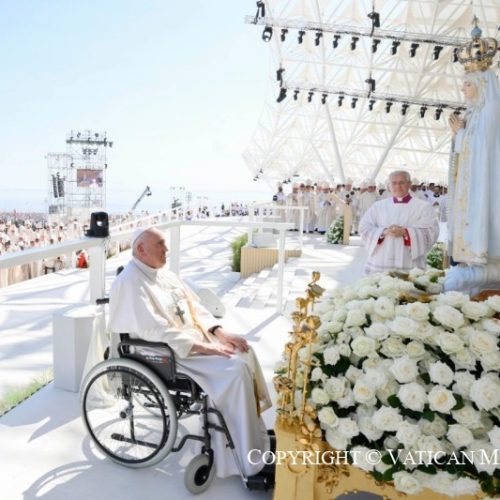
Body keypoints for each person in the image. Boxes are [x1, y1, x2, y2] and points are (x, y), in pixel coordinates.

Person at [107, 227, 273, 482]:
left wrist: (220, 333)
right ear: (141, 249)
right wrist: (205, 347)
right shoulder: (129, 282)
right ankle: (239, 457)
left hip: (195, 339)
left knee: (244, 351)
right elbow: (154, 331)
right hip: (170, 353)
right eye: (160, 245)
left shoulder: (166, 274)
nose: (167, 249)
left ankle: (251, 436)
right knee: (235, 370)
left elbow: (197, 309)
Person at [447, 69, 500, 266]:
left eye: (468, 84)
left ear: (482, 85)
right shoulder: (474, 111)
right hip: (472, 177)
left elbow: (484, 146)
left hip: (485, 177)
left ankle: (480, 254)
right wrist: (457, 135)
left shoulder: (492, 108)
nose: (463, 89)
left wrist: (461, 133)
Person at [359, 170, 439, 274]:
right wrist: (383, 232)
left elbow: (431, 231)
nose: (397, 186)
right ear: (389, 185)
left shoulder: (423, 207)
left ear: (409, 184)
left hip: (409, 263)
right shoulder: (378, 206)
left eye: (401, 182)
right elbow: (364, 227)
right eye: (394, 183)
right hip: (382, 260)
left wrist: (406, 232)